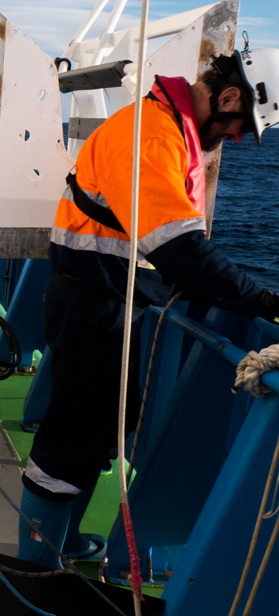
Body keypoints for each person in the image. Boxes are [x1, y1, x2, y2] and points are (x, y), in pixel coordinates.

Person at [17, 44, 279, 567]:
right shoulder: (151, 135)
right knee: (72, 437)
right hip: (94, 304)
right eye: (241, 126)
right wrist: (265, 299)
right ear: (229, 96)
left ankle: (63, 543)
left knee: (99, 428)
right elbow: (180, 252)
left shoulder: (164, 129)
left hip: (108, 300)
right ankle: (36, 564)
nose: (237, 138)